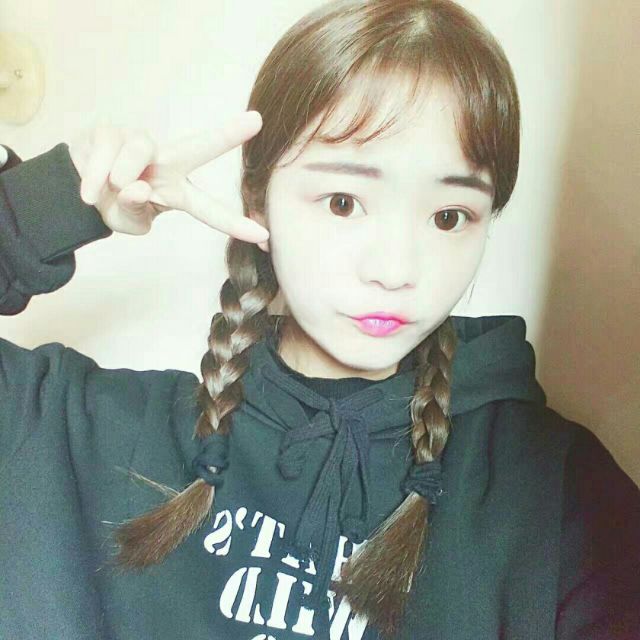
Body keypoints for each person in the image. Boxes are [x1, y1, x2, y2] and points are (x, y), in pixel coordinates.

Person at [1, 0, 639, 638]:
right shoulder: (82, 433)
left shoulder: (555, 492)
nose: (396, 269)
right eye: (342, 202)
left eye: (449, 217)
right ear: (258, 201)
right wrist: (45, 204)